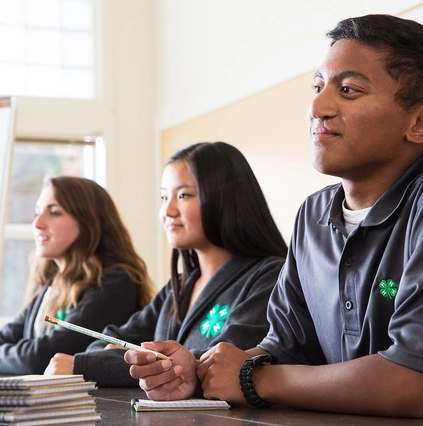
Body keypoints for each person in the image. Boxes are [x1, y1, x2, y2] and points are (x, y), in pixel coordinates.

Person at [130, 14, 423, 418]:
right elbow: (285, 347)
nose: (318, 106)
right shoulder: (314, 215)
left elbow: (412, 382)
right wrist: (202, 374)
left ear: (418, 122)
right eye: (318, 87)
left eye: (349, 90)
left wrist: (253, 378)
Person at [44, 142, 287, 393]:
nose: (168, 210)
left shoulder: (269, 277)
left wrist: (89, 366)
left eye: (183, 195)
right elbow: (108, 339)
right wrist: (106, 357)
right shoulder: (178, 287)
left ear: (225, 198)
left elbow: (212, 366)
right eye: (164, 197)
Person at [0, 176, 156, 375]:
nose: (37, 223)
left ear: (90, 223)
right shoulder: (52, 283)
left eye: (54, 212)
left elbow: (40, 356)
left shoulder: (115, 283)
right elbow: (0, 340)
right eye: (38, 211)